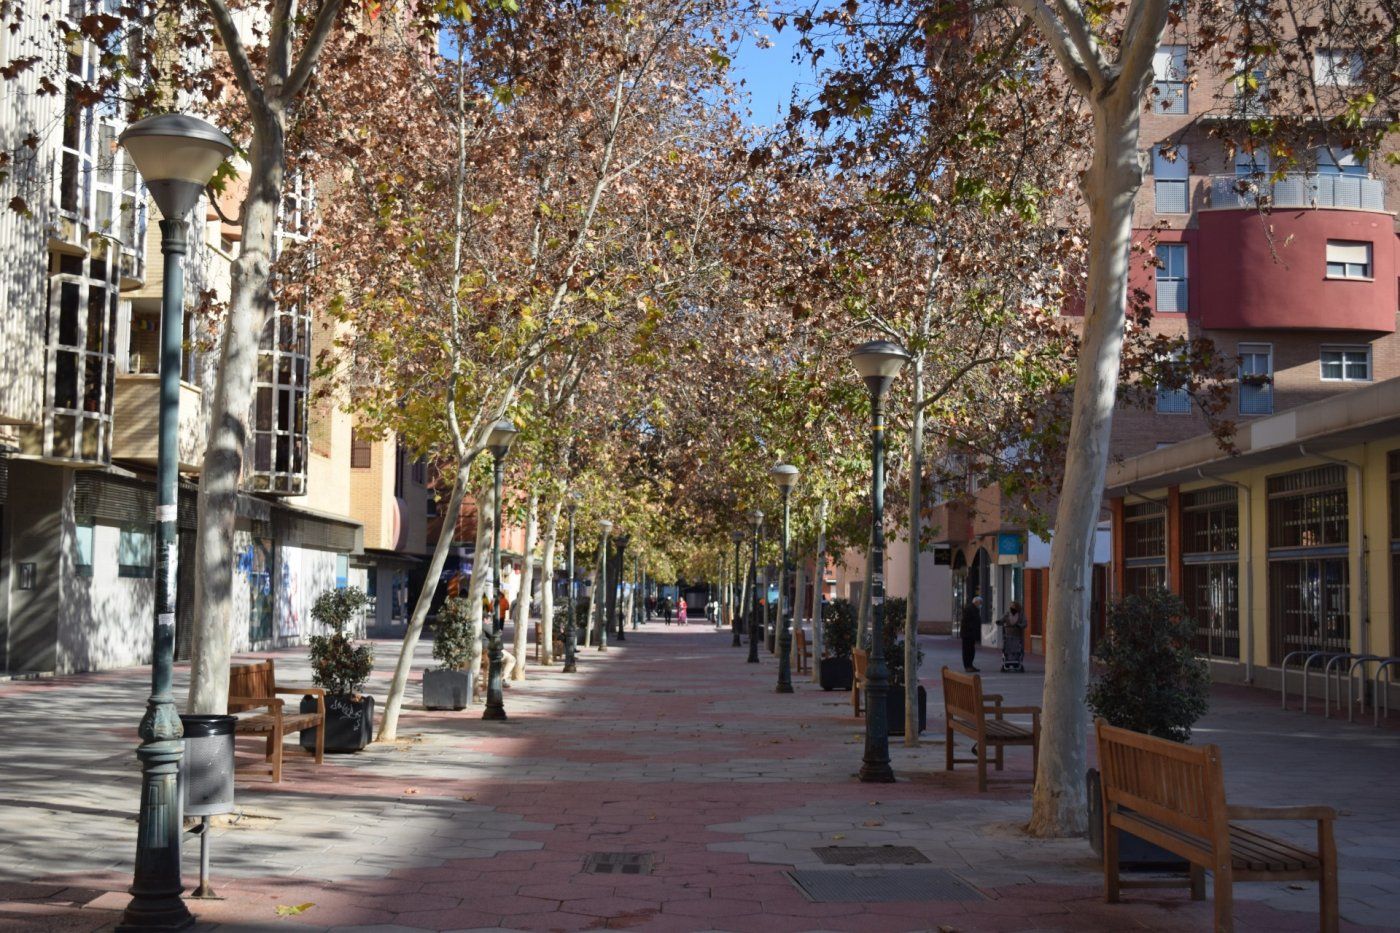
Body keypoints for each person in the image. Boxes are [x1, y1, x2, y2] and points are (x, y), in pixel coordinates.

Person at [960, 594, 983, 673]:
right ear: (976, 602)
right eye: (980, 603)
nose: (981, 605)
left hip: (971, 634)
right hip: (968, 634)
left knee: (971, 651)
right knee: (967, 651)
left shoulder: (974, 609)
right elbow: (967, 622)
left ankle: (970, 665)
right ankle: (967, 666)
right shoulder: (969, 609)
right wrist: (971, 630)